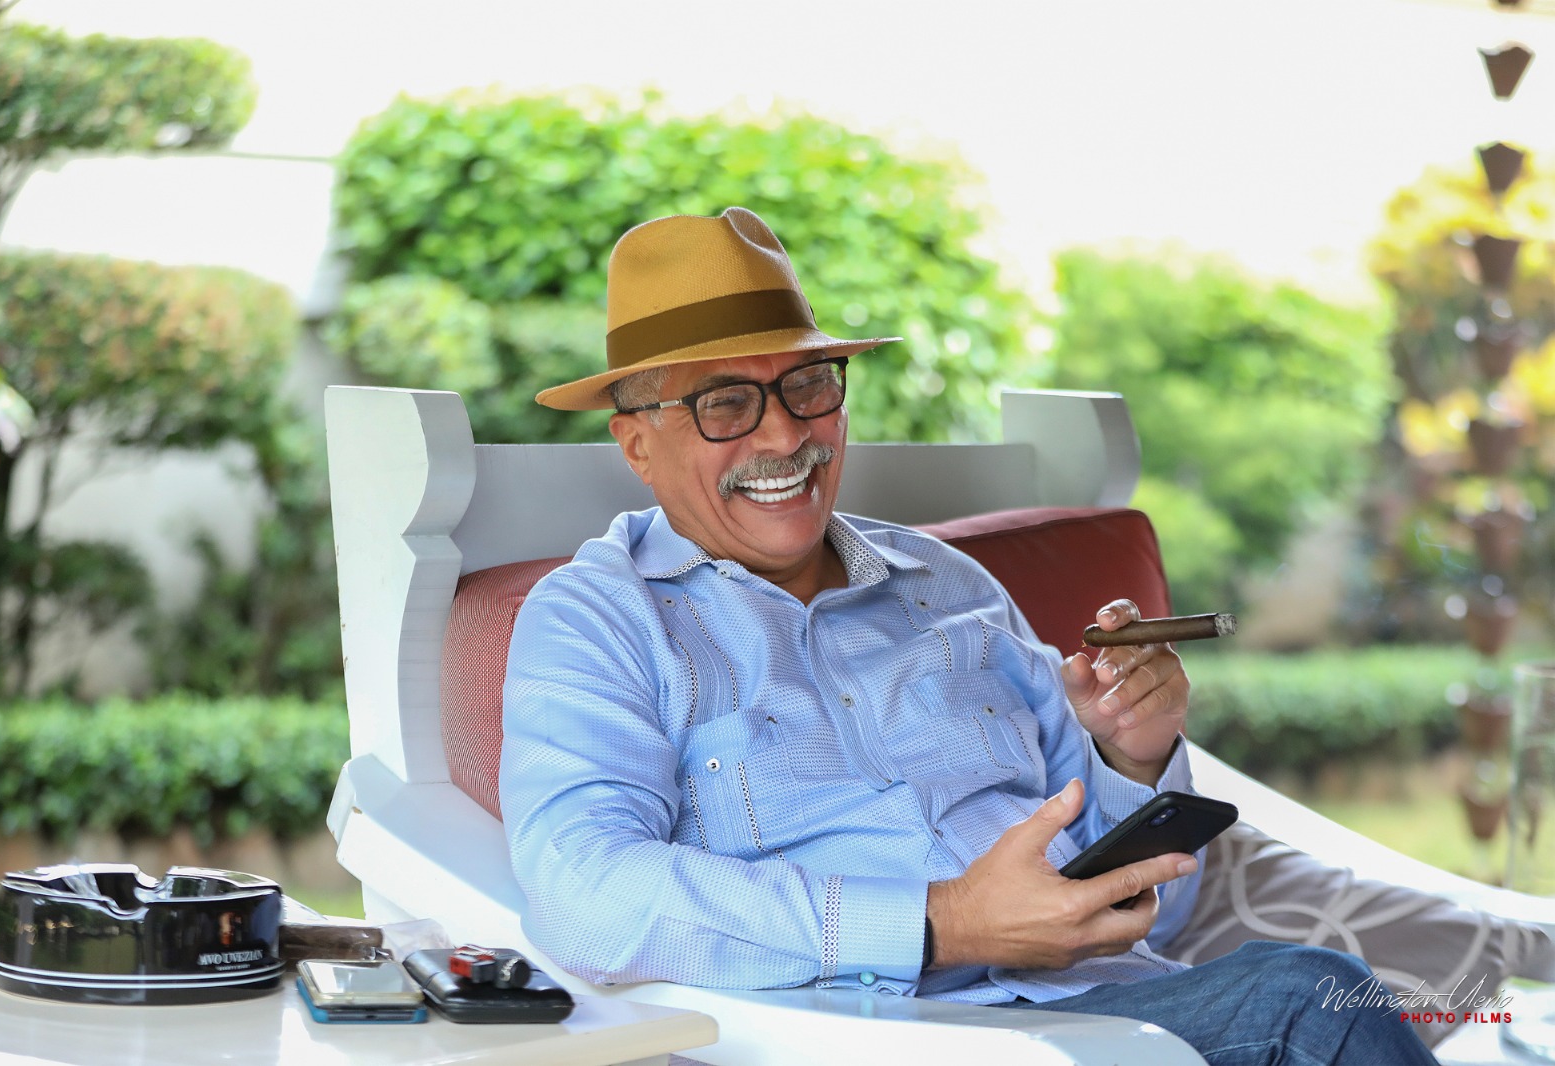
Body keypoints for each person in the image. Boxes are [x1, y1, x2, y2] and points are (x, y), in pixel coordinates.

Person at [501, 206, 1437, 1063]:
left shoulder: (949, 587)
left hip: (1116, 1014)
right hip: (876, 1040)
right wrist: (944, 923)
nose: (785, 437)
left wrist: (1134, 757)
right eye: (725, 403)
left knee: (1329, 991)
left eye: (808, 385)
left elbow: (1163, 910)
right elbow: (587, 893)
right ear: (637, 443)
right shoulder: (600, 618)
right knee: (1311, 1000)